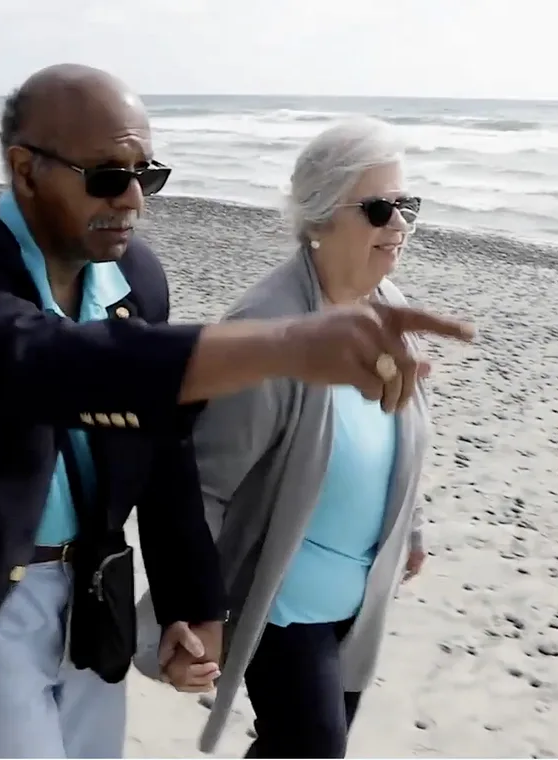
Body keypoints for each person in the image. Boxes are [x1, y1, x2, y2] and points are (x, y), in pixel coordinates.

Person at [0, 65, 474, 759]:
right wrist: (279, 344)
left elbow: (165, 455)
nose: (133, 199)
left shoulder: (138, 277)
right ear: (26, 169)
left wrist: (189, 605)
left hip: (93, 598)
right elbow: (31, 365)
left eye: (148, 175)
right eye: (108, 176)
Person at [140, 118, 439, 758]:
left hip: (359, 597)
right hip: (284, 602)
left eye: (406, 205)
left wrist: (410, 528)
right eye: (381, 208)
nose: (400, 225)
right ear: (322, 215)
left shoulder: (390, 305)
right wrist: (193, 611)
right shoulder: (269, 329)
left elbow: (403, 437)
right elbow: (206, 487)